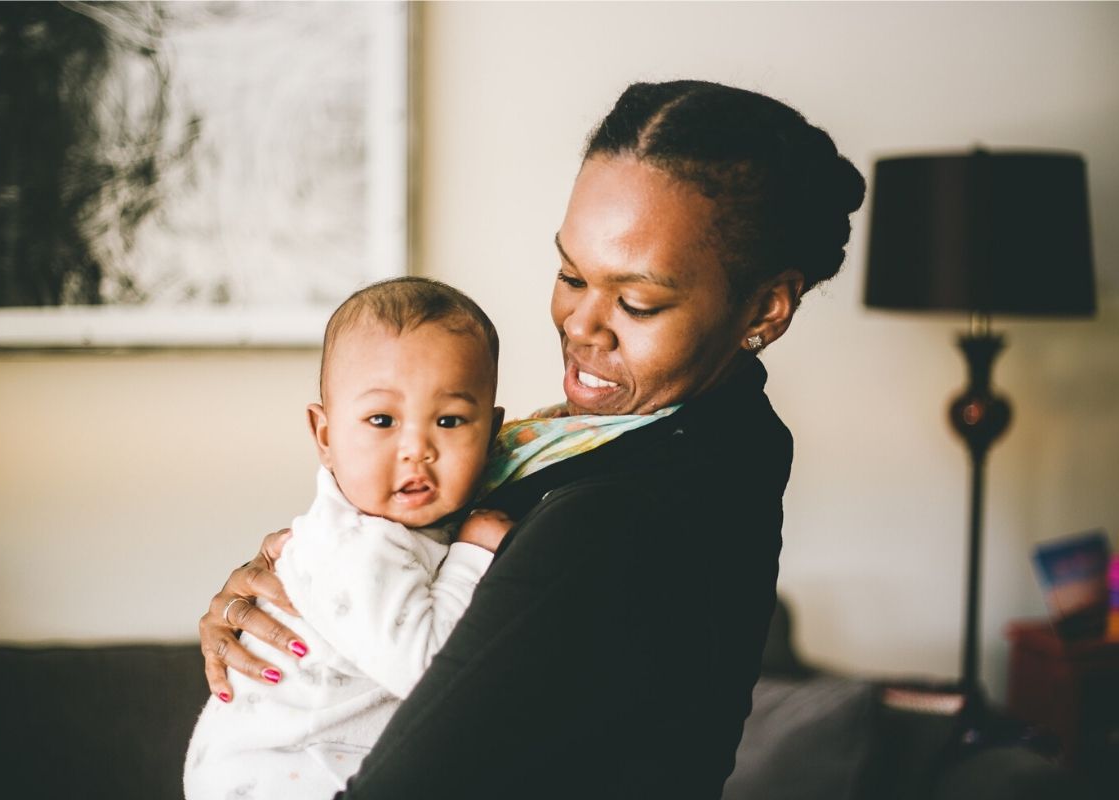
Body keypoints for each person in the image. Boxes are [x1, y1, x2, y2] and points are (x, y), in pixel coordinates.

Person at [197, 79, 866, 798]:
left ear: (765, 306)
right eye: (570, 274)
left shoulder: (628, 507)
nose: (582, 324)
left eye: (638, 301)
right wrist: (302, 577)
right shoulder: (627, 437)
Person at [184, 278, 513, 798]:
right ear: (326, 436)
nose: (416, 449)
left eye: (449, 420)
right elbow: (434, 677)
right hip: (285, 774)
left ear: (493, 434)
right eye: (382, 420)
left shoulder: (400, 528)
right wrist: (474, 554)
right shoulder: (356, 545)